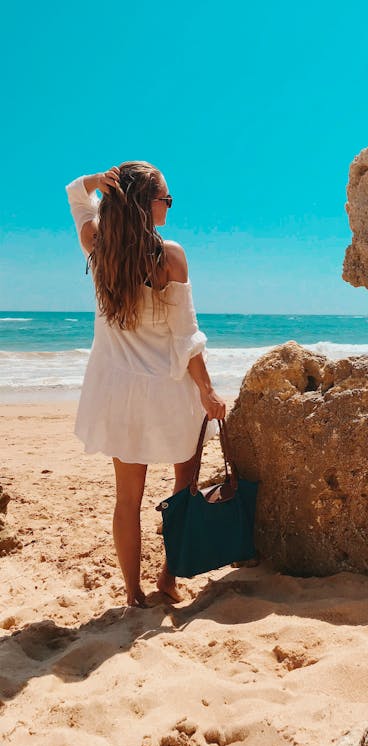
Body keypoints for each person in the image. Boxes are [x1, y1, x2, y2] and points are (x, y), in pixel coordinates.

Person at [65, 162, 226, 606]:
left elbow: (76, 197)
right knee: (184, 485)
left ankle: (133, 593)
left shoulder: (98, 248)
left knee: (127, 499)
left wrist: (97, 183)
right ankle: (168, 578)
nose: (169, 207)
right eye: (165, 199)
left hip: (119, 394)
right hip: (170, 390)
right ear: (145, 203)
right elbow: (186, 336)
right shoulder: (169, 255)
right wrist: (208, 392)